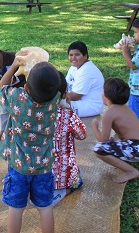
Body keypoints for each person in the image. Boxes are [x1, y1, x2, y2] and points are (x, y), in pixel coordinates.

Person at [0, 58, 62, 233]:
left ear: (26, 87)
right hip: (43, 167)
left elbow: (0, 90)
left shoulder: (17, 99)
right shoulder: (55, 100)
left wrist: (13, 68)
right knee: (45, 206)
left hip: (18, 166)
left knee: (16, 208)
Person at [92, 78, 139, 184]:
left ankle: (131, 171)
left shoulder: (110, 113)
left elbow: (103, 140)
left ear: (106, 96)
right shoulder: (125, 108)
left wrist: (95, 127)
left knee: (99, 149)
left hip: (138, 149)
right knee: (113, 142)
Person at [51, 72, 86, 207]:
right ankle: (62, 192)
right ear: (65, 94)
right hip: (62, 176)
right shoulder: (68, 115)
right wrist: (69, 107)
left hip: (36, 175)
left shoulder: (33, 113)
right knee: (78, 178)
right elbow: (82, 135)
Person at [65, 41, 104, 118]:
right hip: (77, 102)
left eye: (77, 55)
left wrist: (54, 97)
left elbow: (75, 96)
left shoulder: (87, 70)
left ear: (85, 56)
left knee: (55, 107)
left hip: (90, 106)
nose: (73, 58)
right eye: (71, 55)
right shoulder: (74, 67)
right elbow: (65, 84)